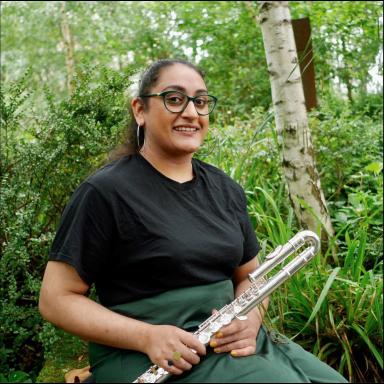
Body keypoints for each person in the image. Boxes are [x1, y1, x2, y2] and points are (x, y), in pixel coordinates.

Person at [39, 58, 347, 383]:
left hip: (225, 342)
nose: (191, 112)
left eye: (200, 101)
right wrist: (147, 337)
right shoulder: (104, 192)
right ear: (139, 110)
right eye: (174, 99)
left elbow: (250, 276)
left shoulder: (225, 189)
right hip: (146, 355)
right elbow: (56, 300)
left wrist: (252, 316)